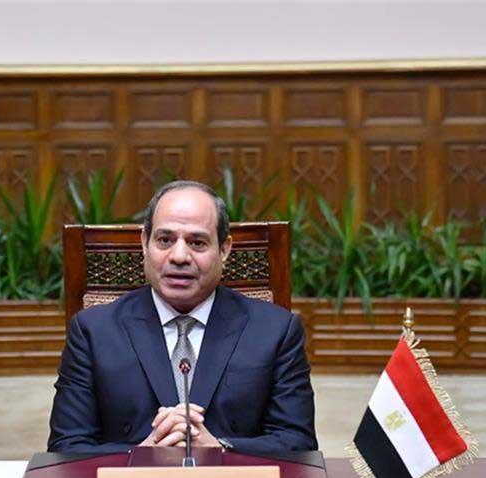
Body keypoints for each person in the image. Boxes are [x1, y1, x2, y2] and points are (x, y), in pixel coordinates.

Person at [47, 180, 316, 456]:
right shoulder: (93, 332)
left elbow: (298, 444)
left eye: (197, 243)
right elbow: (66, 449)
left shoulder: (276, 331)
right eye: (165, 240)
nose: (179, 256)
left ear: (224, 249)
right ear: (144, 243)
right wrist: (141, 455)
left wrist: (219, 450)